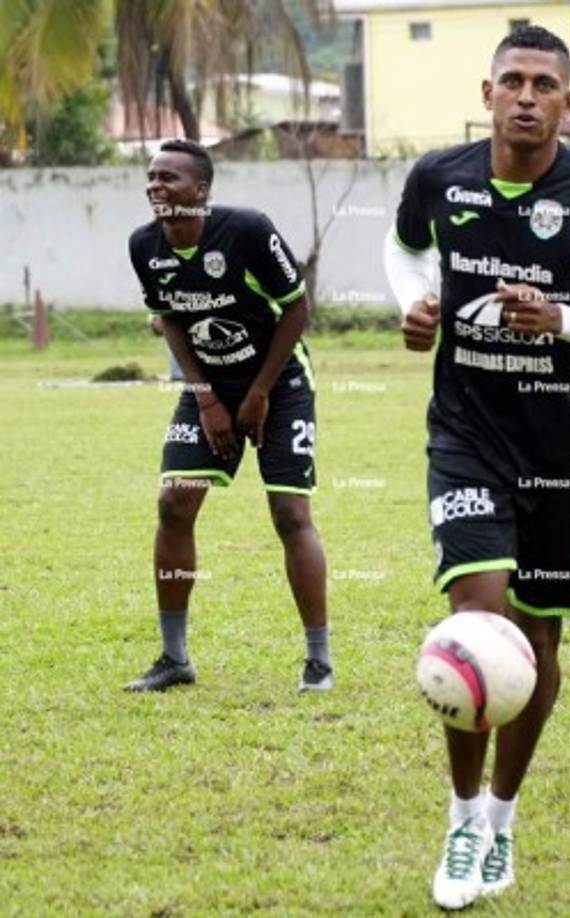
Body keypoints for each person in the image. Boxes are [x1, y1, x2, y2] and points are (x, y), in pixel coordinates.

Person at [384, 25, 570, 910]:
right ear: (487, 90)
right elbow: (402, 249)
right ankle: (461, 821)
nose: (528, 96)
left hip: (559, 446)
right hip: (463, 431)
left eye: (546, 83)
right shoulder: (439, 176)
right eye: (513, 80)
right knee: (476, 619)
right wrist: (414, 301)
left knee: (537, 646)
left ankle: (502, 820)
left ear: (569, 102)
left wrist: (562, 321)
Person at [125, 138, 332, 694]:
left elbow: (297, 308)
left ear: (201, 191)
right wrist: (207, 397)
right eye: (151, 177)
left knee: (290, 513)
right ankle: (173, 658)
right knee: (174, 503)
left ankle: (319, 661)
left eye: (169, 178)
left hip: (279, 382)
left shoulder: (245, 230)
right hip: (209, 386)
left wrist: (259, 392)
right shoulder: (144, 246)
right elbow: (168, 318)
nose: (156, 187)